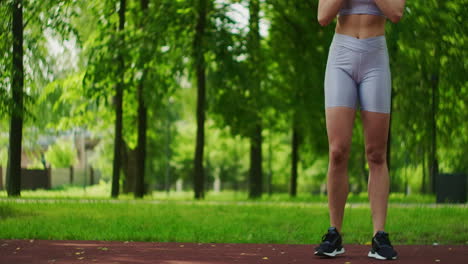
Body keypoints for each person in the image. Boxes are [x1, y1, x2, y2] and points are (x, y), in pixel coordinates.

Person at [314, 0, 406, 260]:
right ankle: (334, 234)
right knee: (337, 151)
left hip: (375, 56)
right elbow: (323, 16)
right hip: (341, 54)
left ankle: (379, 236)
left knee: (376, 153)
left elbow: (396, 13)